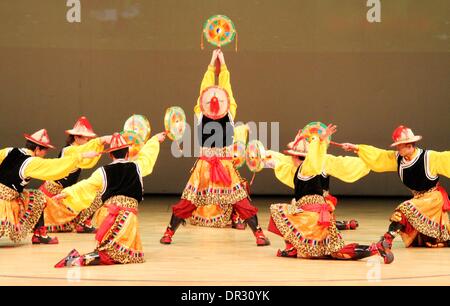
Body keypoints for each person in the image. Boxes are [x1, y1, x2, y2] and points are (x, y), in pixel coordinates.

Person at [160, 49, 270, 246]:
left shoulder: (199, 115)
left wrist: (213, 63)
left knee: (189, 200)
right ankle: (259, 235)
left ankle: (169, 233)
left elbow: (205, 90)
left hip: (205, 167)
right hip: (224, 167)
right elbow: (226, 92)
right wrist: (223, 64)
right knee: (240, 201)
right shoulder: (230, 113)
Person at [267, 124, 393, 263]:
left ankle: (292, 248)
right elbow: (287, 164)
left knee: (280, 211)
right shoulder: (301, 169)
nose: (289, 158)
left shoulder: (307, 168)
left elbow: (313, 158)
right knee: (337, 252)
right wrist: (315, 141)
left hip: (311, 218)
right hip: (321, 218)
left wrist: (318, 140)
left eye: (291, 155)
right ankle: (376, 248)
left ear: (297, 157)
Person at [54, 131, 166, 267]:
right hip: (126, 216)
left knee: (120, 252)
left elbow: (86, 185)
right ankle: (77, 260)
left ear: (111, 154)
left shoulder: (103, 171)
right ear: (127, 153)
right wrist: (154, 140)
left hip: (107, 214)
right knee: (118, 254)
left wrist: (67, 193)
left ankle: (81, 258)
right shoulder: (137, 166)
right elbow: (148, 156)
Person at [341, 125, 450, 249]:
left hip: (433, 198)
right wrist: (357, 148)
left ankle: (387, 240)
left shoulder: (429, 158)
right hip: (418, 199)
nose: (398, 148)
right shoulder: (398, 159)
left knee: (404, 209)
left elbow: (447, 159)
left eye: (400, 145)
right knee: (425, 235)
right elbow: (380, 156)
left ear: (409, 145)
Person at [0, 128, 99, 244]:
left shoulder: (10, 151)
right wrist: (82, 156)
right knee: (38, 197)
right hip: (5, 199)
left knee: (37, 196)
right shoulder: (31, 162)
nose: (45, 154)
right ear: (37, 149)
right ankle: (39, 234)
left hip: (13, 194)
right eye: (44, 150)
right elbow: (53, 165)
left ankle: (39, 234)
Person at [41, 116, 110, 233]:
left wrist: (100, 145)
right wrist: (100, 140)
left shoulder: (81, 151)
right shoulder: (68, 150)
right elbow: (80, 152)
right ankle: (79, 222)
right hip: (53, 194)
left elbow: (87, 158)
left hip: (67, 193)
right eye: (86, 139)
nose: (88, 142)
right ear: (76, 137)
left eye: (89, 140)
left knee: (96, 193)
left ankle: (83, 223)